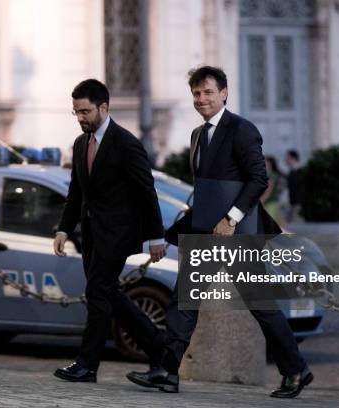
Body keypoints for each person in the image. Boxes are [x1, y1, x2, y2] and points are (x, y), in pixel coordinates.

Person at [126, 66, 312, 399]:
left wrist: (232, 218)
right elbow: (206, 191)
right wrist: (176, 234)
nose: (202, 99)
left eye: (208, 92)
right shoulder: (198, 135)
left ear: (224, 93)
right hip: (204, 235)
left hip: (238, 235)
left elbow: (259, 179)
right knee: (184, 303)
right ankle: (167, 372)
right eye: (196, 93)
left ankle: (296, 371)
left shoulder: (242, 130)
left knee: (261, 306)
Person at [52, 79, 166, 383]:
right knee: (109, 294)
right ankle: (160, 349)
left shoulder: (126, 143)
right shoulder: (80, 144)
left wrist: (157, 236)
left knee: (98, 292)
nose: (80, 118)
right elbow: (77, 192)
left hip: (117, 235)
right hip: (90, 234)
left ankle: (87, 364)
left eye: (85, 111)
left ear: (103, 107)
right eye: (76, 112)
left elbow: (146, 192)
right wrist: (64, 229)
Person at [261, 156, 286, 225]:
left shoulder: (271, 176)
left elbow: (268, 191)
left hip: (271, 203)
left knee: (269, 224)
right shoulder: (271, 175)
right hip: (273, 202)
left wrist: (261, 201)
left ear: (269, 164)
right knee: (280, 224)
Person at [285, 150, 303, 222]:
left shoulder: (299, 171)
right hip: (293, 203)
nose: (285, 160)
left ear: (293, 158)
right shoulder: (291, 171)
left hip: (298, 203)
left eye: (287, 158)